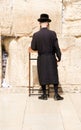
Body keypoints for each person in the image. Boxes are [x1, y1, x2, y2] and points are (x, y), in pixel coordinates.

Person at [29, 13, 64, 100]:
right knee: (54, 75)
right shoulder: (52, 34)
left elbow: (33, 47)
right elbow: (56, 47)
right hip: (51, 57)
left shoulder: (36, 35)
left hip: (41, 57)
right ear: (48, 23)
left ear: (40, 23)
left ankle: (44, 95)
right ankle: (56, 94)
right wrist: (59, 57)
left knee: (42, 74)